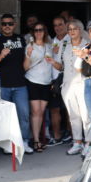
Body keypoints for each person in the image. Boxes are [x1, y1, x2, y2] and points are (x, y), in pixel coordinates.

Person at [0, 13, 33, 154]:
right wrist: (1, 55)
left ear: (15, 25)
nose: (7, 26)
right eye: (4, 24)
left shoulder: (21, 39)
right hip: (3, 85)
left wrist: (29, 56)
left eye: (10, 24)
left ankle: (24, 141)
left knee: (23, 115)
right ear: (1, 25)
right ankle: (8, 144)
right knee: (5, 117)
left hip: (20, 84)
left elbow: (25, 65)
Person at [59, 20, 91, 156]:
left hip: (82, 82)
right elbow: (61, 65)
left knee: (86, 115)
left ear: (81, 30)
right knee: (73, 115)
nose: (72, 31)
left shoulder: (87, 44)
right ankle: (77, 142)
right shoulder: (64, 44)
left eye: (75, 29)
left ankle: (89, 142)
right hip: (68, 84)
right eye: (69, 29)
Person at [24, 22, 58, 152]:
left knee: (41, 112)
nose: (38, 32)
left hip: (46, 82)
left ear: (44, 32)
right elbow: (25, 67)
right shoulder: (30, 46)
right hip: (33, 81)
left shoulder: (49, 47)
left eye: (41, 30)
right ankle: (36, 140)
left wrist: (55, 53)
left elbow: (55, 62)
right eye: (36, 30)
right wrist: (28, 54)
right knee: (36, 112)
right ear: (33, 32)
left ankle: (38, 138)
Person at [47, 16, 71, 146]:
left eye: (60, 24)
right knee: (54, 109)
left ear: (65, 24)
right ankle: (57, 137)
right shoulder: (52, 41)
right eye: (55, 25)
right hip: (54, 79)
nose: (58, 27)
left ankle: (71, 135)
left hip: (67, 79)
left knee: (69, 109)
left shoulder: (71, 40)